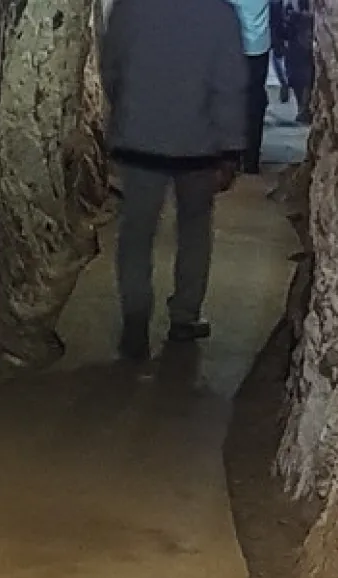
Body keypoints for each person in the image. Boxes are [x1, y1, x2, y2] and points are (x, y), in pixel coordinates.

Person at [100, 0, 248, 365]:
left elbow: (112, 66)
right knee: (195, 229)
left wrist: (122, 112)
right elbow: (229, 84)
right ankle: (184, 314)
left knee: (136, 233)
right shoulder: (219, 12)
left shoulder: (129, 8)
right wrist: (231, 147)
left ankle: (135, 317)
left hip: (139, 138)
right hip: (198, 142)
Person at [228, 0, 273, 172]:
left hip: (233, 47)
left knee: (232, 102)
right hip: (259, 46)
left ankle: (233, 155)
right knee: (255, 102)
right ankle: (251, 159)